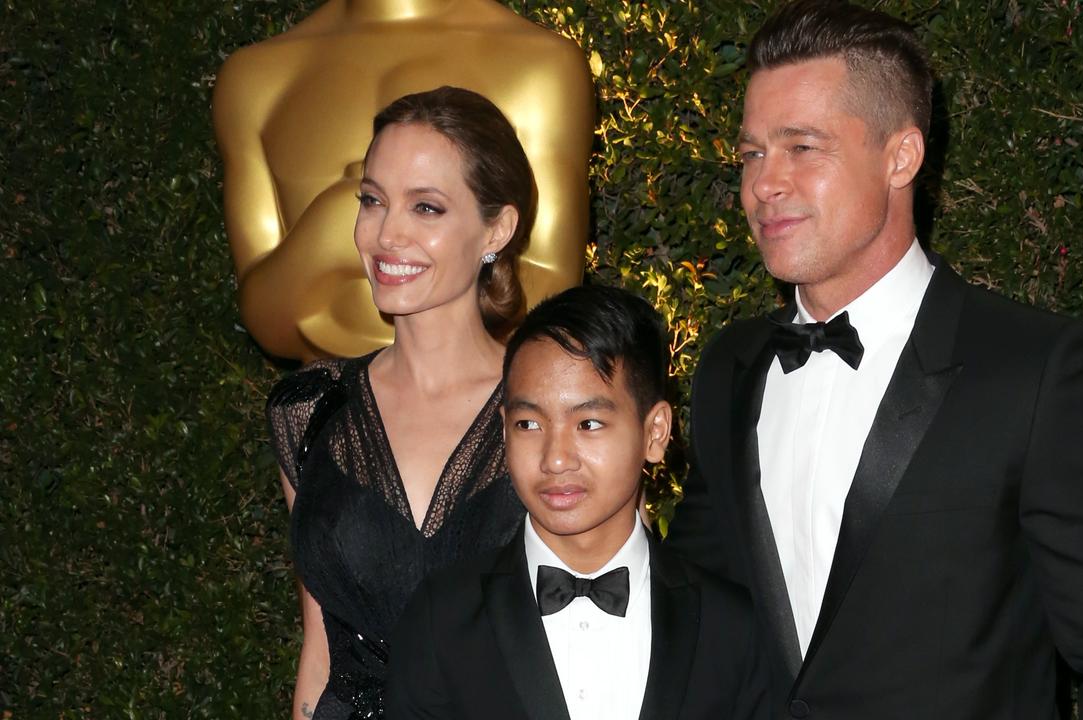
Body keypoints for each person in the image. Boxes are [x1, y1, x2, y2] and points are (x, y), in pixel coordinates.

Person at [664, 1, 1083, 718]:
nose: (763, 184)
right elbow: (693, 616)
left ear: (900, 156)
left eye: (802, 148)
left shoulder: (1038, 373)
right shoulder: (731, 367)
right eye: (752, 153)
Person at [266, 87, 536, 720]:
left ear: (496, 227)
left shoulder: (552, 407)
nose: (387, 234)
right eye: (373, 200)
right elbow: (319, 649)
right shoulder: (309, 410)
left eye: (427, 208)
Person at [384, 285, 768, 720]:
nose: (556, 458)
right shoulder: (443, 619)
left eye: (588, 423)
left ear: (655, 432)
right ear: (504, 431)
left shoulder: (731, 628)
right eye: (529, 423)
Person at [214, 0, 593, 360]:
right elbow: (267, 321)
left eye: (427, 205)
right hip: (325, 413)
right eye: (371, 200)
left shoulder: (539, 64)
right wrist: (327, 231)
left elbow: (553, 296)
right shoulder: (256, 78)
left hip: (485, 409)